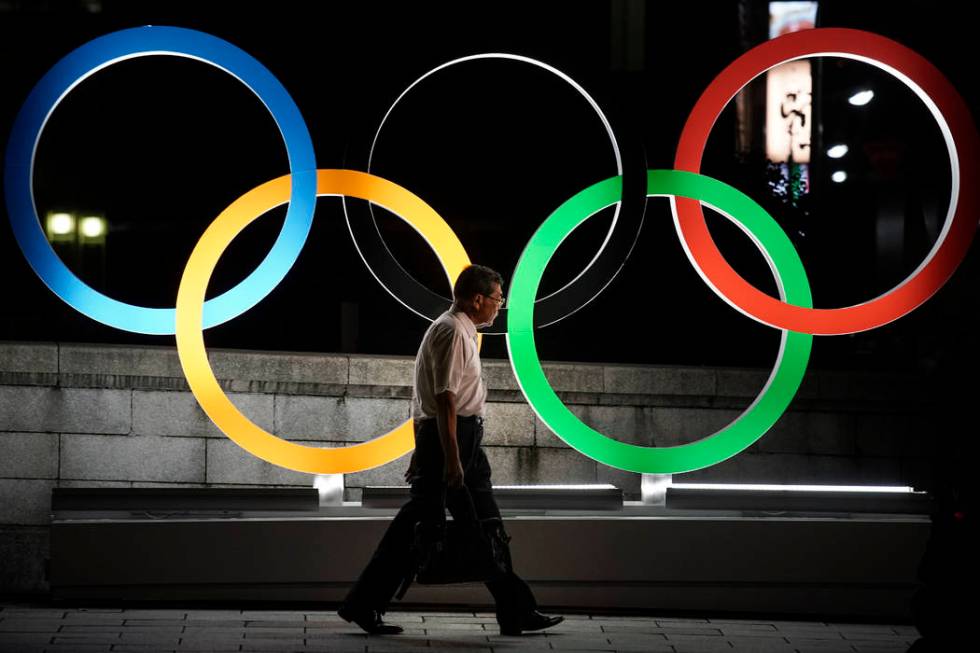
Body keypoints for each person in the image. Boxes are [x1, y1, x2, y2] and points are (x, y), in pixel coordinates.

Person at [338, 264, 564, 636]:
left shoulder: (455, 329)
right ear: (477, 299)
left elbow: (424, 397)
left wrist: (428, 448)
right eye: (496, 298)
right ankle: (514, 610)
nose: (499, 305)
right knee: (435, 527)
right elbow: (443, 398)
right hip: (454, 441)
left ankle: (515, 609)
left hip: (454, 439)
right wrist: (451, 458)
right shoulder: (453, 332)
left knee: (479, 525)